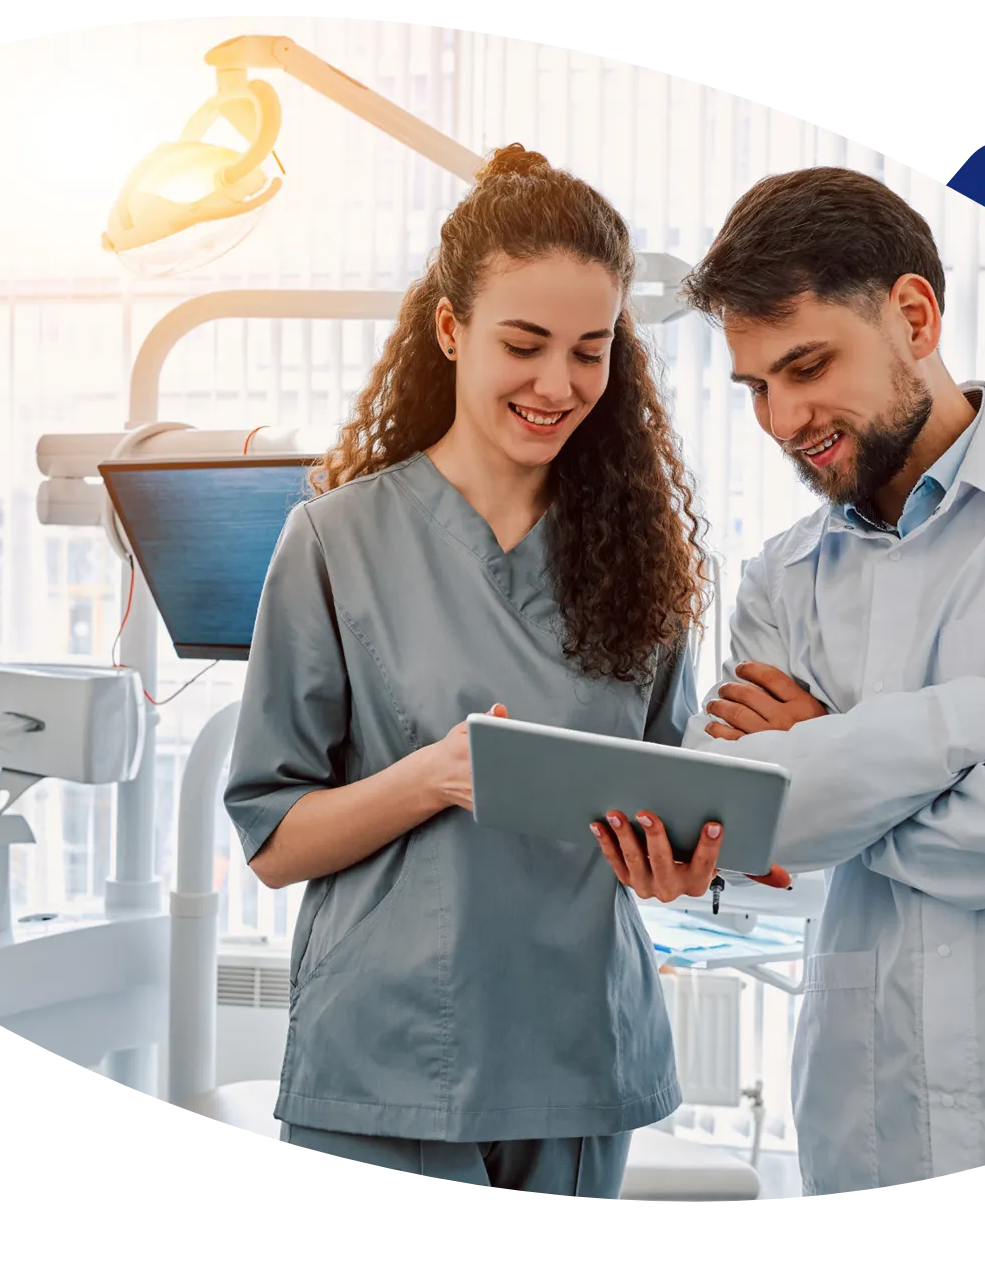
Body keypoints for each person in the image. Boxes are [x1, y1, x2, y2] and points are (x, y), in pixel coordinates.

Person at [590, 165, 985, 1197]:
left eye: (807, 366)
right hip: (872, 1116)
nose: (783, 419)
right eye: (755, 387)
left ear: (915, 315)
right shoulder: (782, 577)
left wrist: (833, 772)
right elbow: (741, 825)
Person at [222, 143, 735, 1201]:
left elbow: (672, 797)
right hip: (386, 1057)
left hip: (578, 1055)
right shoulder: (337, 540)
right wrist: (438, 776)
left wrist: (681, 862)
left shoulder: (643, 563)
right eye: (524, 344)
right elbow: (274, 841)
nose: (559, 385)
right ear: (452, 329)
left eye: (590, 351)